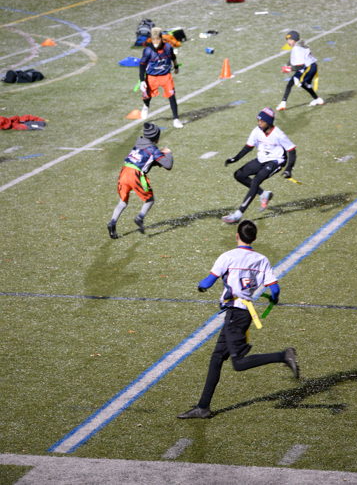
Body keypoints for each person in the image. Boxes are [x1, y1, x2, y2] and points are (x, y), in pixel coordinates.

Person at [177, 219, 299, 419]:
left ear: (237, 235)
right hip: (243, 314)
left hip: (235, 314)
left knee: (239, 363)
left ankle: (283, 356)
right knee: (217, 358)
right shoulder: (261, 259)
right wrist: (274, 299)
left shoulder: (228, 256)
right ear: (254, 238)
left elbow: (207, 282)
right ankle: (203, 407)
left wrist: (200, 286)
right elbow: (275, 289)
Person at [221, 107, 296, 224]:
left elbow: (291, 150)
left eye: (262, 121)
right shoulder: (256, 131)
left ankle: (238, 214)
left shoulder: (279, 134)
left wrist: (289, 169)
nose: (259, 123)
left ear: (269, 122)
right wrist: (235, 158)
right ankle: (263, 194)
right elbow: (248, 147)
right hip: (262, 159)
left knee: (256, 181)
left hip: (276, 161)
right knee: (239, 175)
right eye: (258, 120)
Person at [107, 122, 173, 239]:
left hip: (124, 171)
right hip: (135, 175)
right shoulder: (153, 149)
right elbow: (168, 165)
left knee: (123, 201)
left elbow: (144, 159)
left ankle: (112, 222)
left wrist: (155, 161)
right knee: (149, 199)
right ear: (156, 137)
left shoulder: (139, 142)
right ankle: (140, 217)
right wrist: (168, 153)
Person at [139, 27, 183, 128]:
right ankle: (146, 106)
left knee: (172, 96)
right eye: (153, 39)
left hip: (165, 75)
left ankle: (176, 119)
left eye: (157, 39)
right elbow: (142, 65)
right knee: (147, 96)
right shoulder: (148, 50)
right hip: (152, 76)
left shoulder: (167, 47)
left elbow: (173, 57)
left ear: (161, 38)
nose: (155, 42)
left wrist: (176, 66)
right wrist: (142, 80)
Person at [276, 31, 324, 110]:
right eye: (287, 40)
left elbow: (300, 66)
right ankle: (283, 103)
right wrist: (287, 65)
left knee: (300, 82)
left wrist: (289, 69)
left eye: (290, 40)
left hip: (309, 68)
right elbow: (293, 58)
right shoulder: (298, 45)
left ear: (295, 40)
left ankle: (317, 98)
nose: (288, 42)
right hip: (310, 67)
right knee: (291, 83)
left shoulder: (297, 48)